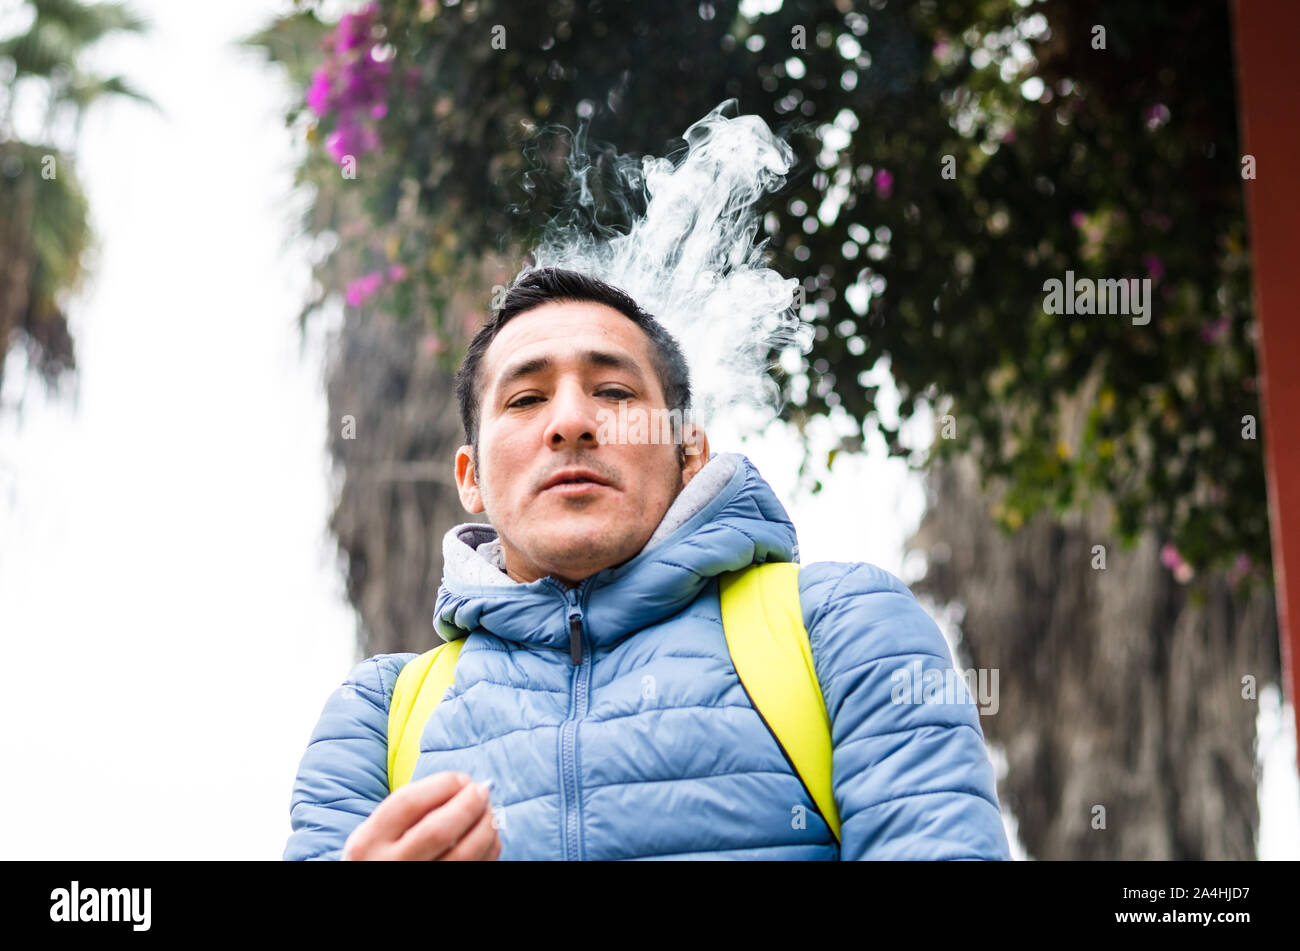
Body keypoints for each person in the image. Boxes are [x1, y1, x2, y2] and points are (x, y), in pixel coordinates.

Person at [283, 266, 1012, 861]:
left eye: (615, 391)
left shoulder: (843, 629)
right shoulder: (375, 721)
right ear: (470, 477)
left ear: (688, 453)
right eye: (527, 397)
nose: (571, 421)